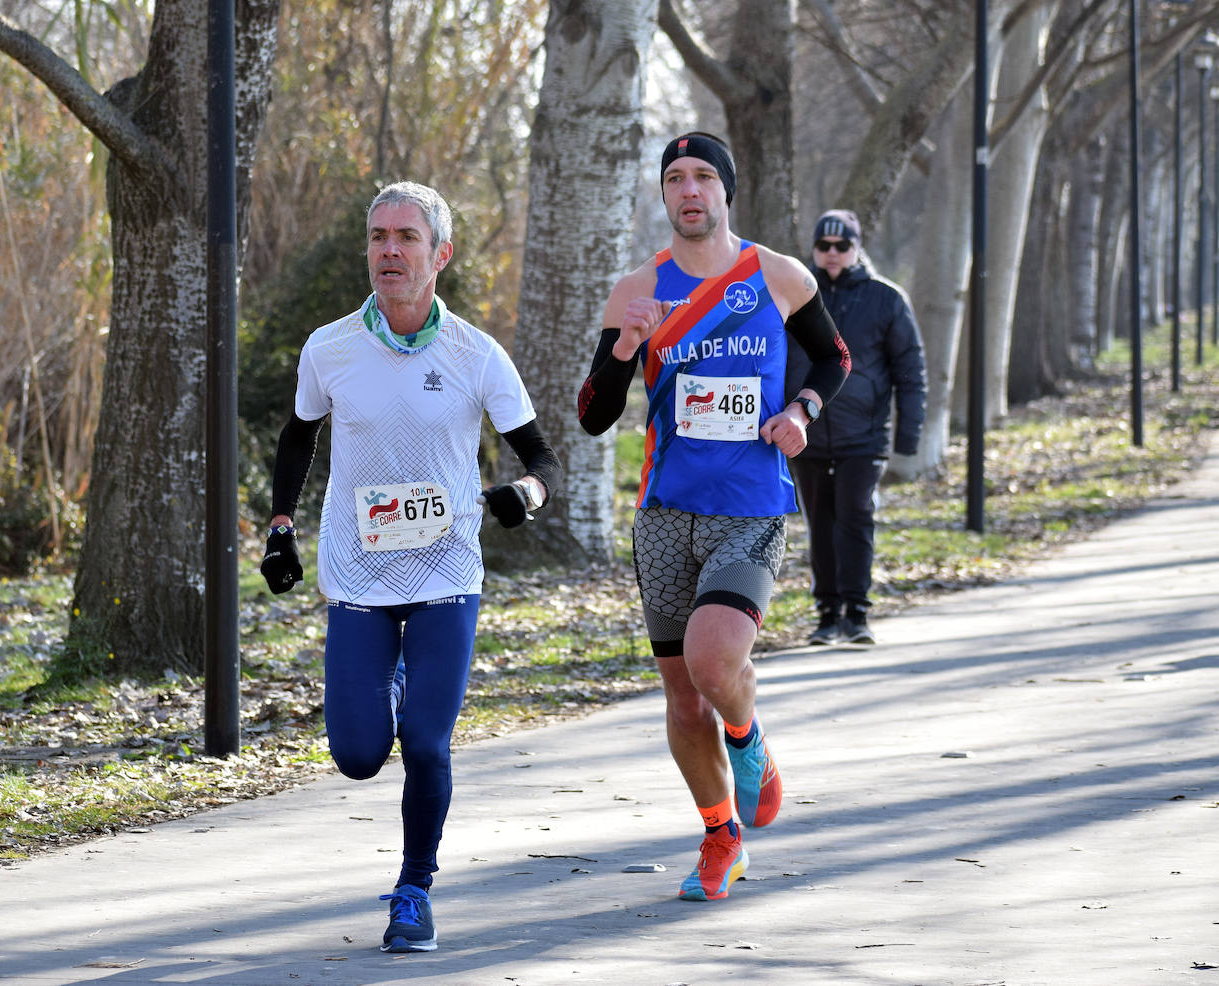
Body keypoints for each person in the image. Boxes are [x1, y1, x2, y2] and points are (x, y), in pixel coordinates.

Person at [260, 181, 562, 953]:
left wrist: (521, 495)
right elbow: (299, 438)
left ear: (441, 256)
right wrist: (281, 527)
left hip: (447, 572)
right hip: (358, 573)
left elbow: (542, 459)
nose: (389, 251)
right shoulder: (330, 347)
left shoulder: (476, 354)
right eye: (378, 237)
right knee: (359, 756)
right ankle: (390, 683)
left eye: (406, 238)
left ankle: (413, 891)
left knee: (426, 742)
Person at [577, 133, 850, 902]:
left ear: (727, 190)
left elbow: (834, 359)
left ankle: (748, 732)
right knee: (681, 695)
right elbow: (594, 416)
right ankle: (720, 835)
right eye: (674, 179)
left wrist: (802, 408)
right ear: (664, 196)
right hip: (665, 512)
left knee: (713, 660)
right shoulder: (638, 289)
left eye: (703, 177)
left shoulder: (778, 275)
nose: (689, 190)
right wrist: (628, 344)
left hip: (752, 505)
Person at [786, 210, 926, 647]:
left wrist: (908, 438)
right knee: (819, 523)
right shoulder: (792, 293)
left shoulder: (886, 298)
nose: (832, 254)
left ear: (857, 247)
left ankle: (857, 613)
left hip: (864, 436)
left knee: (856, 517)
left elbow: (910, 371)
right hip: (804, 431)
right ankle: (827, 615)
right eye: (823, 246)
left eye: (842, 246)